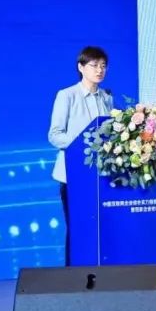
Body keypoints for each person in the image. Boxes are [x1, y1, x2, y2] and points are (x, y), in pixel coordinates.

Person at [48, 45, 113, 266]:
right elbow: (54, 135)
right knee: (77, 229)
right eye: (94, 65)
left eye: (103, 65)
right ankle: (72, 277)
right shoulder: (67, 95)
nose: (100, 70)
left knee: (102, 229)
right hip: (74, 175)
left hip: (101, 176)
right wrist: (82, 144)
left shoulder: (106, 97)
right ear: (81, 67)